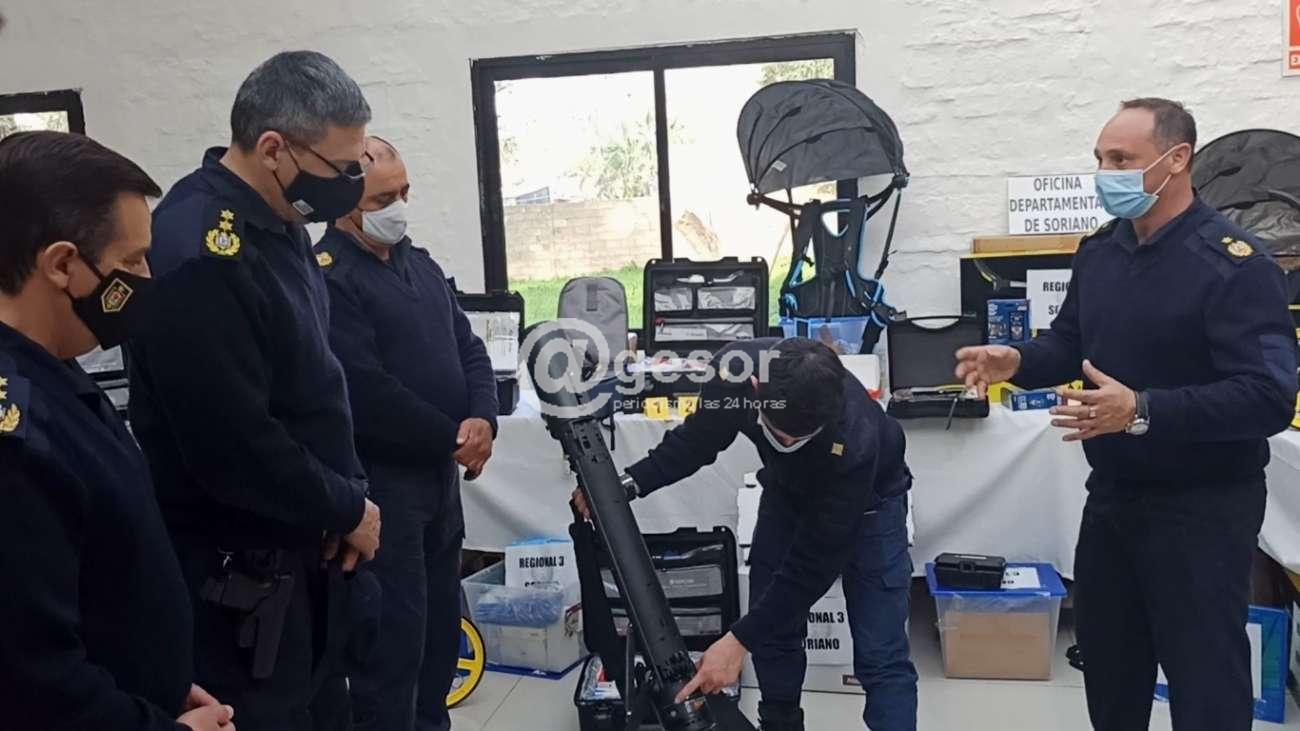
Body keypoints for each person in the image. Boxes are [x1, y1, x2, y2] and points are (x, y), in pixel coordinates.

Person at [955, 98, 1297, 731]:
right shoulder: (1101, 252)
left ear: (1177, 159)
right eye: (1100, 159)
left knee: (1205, 676)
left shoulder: (1234, 266)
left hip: (1203, 507)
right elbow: (1071, 343)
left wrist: (1142, 410)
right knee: (1111, 665)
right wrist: (1017, 360)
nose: (1104, 174)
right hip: (1113, 498)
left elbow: (1268, 396)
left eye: (1121, 160)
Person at [127, 51, 382, 731]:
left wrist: (347, 499)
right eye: (341, 167)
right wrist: (345, 505)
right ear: (273, 149)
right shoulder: (199, 252)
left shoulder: (281, 222)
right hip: (240, 581)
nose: (353, 185)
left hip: (308, 548)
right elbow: (233, 445)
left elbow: (313, 384)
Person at [0, 131, 234, 730]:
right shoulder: (13, 438)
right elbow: (31, 679)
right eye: (131, 261)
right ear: (62, 265)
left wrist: (161, 682)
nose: (147, 276)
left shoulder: (53, 365)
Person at [573, 338, 917, 731]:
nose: (788, 444)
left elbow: (812, 567)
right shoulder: (732, 378)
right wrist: (627, 484)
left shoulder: (856, 440)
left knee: (881, 656)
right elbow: (698, 440)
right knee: (774, 634)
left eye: (800, 439)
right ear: (756, 390)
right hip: (787, 493)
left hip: (872, 506)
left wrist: (737, 640)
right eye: (780, 434)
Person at [315, 136, 498, 731]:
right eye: (383, 198)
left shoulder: (420, 263)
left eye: (404, 192)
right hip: (385, 489)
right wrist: (454, 438)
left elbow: (470, 348)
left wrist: (484, 420)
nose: (398, 207)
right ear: (345, 203)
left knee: (441, 636)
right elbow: (366, 392)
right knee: (395, 649)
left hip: (440, 487)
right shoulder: (330, 277)